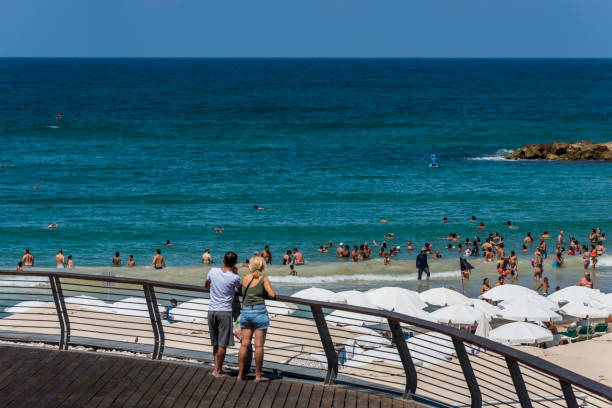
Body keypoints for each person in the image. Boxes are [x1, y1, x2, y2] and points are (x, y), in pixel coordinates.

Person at [237, 255, 276, 381]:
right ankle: (258, 376)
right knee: (259, 346)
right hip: (259, 312)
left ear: (251, 266)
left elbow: (241, 291)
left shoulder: (244, 278)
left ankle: (240, 374)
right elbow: (272, 294)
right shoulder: (263, 278)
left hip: (246, 312)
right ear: (262, 266)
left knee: (244, 345)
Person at [205, 251, 242, 377]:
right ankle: (218, 371)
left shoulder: (213, 271)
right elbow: (240, 289)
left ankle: (216, 369)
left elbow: (206, 286)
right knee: (223, 344)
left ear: (223, 260)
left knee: (215, 342)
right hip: (225, 311)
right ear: (235, 263)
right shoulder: (235, 277)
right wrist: (236, 273)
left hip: (212, 310)